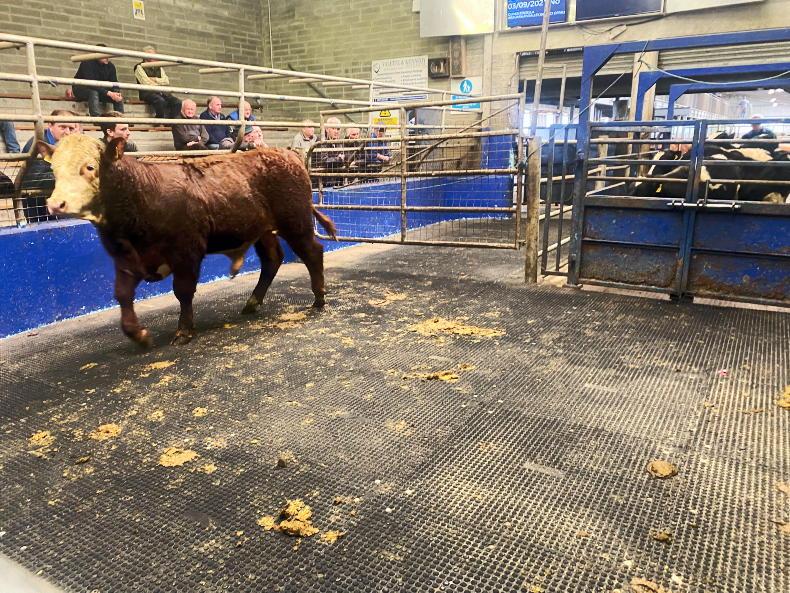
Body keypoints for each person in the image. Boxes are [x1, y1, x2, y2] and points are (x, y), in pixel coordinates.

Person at [20, 110, 81, 221]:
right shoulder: (37, 144)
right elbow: (36, 180)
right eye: (63, 127)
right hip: (38, 207)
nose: (67, 132)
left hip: (59, 203)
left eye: (71, 128)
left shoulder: (69, 144)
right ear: (50, 126)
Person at [70, 44, 124, 116]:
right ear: (97, 55)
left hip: (100, 90)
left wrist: (116, 92)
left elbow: (114, 82)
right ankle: (96, 118)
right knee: (93, 92)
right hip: (81, 89)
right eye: (104, 55)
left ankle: (121, 118)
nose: (107, 57)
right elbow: (91, 84)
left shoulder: (110, 66)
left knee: (117, 93)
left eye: (108, 55)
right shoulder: (87, 63)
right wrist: (109, 93)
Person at [134, 45, 181, 119]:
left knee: (177, 102)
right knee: (160, 101)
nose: (153, 56)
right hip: (147, 93)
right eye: (150, 54)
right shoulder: (139, 66)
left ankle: (171, 122)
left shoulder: (158, 66)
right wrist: (159, 82)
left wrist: (154, 79)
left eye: (154, 54)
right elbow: (146, 83)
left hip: (161, 92)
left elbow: (166, 81)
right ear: (144, 55)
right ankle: (159, 120)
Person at [311, 116, 348, 187]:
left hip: (334, 179)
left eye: (338, 129)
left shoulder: (338, 141)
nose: (336, 131)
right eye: (333, 128)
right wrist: (339, 159)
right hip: (321, 181)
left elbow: (344, 157)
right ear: (327, 129)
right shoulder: (321, 141)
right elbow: (323, 161)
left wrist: (342, 159)